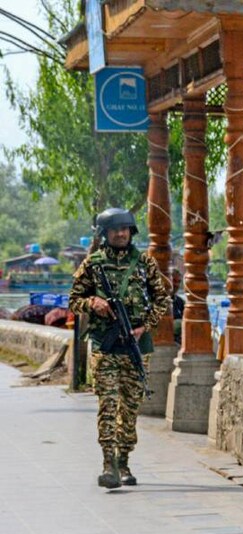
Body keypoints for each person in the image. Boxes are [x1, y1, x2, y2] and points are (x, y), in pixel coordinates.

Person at [69, 208, 170, 490]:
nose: (121, 233)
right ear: (104, 234)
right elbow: (74, 299)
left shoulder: (144, 263)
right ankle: (108, 464)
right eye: (115, 230)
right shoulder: (92, 264)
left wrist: (144, 326)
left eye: (125, 229)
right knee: (108, 405)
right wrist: (93, 304)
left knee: (130, 407)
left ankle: (123, 460)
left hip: (137, 346)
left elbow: (162, 299)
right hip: (105, 347)